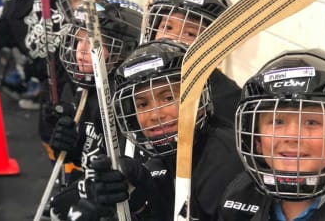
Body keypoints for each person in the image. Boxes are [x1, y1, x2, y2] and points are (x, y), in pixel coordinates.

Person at [70, 39, 244, 220]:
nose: (155, 115)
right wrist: (138, 205)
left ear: (199, 98)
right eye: (143, 104)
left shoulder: (228, 164)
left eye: (168, 98)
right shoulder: (158, 162)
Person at [217, 48, 325, 220]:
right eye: (278, 121)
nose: (292, 136)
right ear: (256, 139)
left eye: (311, 122)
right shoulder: (237, 196)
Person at [48, 0, 143, 220]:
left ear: (126, 51)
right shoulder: (87, 90)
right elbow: (88, 154)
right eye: (79, 40)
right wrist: (70, 144)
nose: (81, 51)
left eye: (93, 43)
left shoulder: (129, 103)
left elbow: (135, 180)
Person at [143, 0, 241, 125]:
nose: (173, 39)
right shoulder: (135, 83)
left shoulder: (231, 100)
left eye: (190, 34)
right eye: (167, 27)